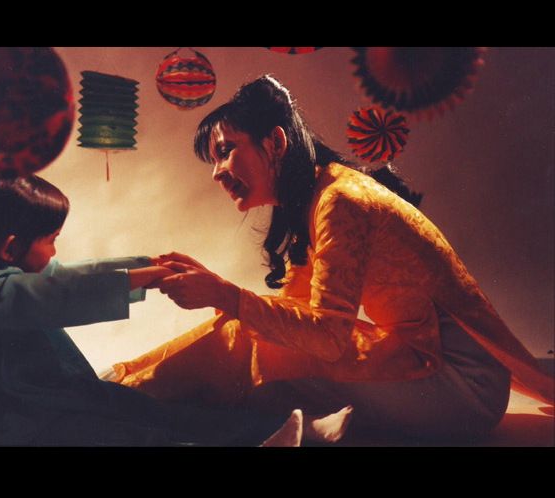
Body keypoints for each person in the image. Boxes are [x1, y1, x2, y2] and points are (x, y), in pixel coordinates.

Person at [113, 75, 555, 444]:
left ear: (276, 142)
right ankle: (121, 390)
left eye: (225, 150)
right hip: (439, 369)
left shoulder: (340, 200)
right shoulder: (320, 196)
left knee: (246, 348)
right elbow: (294, 314)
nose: (216, 173)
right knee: (244, 338)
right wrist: (220, 291)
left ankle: (117, 398)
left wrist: (225, 295)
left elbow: (327, 338)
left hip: (460, 385)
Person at [0, 173, 353, 447]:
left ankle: (293, 430)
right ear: (10, 248)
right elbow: (59, 293)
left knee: (153, 411)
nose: (54, 251)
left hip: (54, 401)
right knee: (140, 435)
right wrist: (147, 276)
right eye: (50, 240)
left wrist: (147, 266)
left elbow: (65, 276)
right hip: (19, 431)